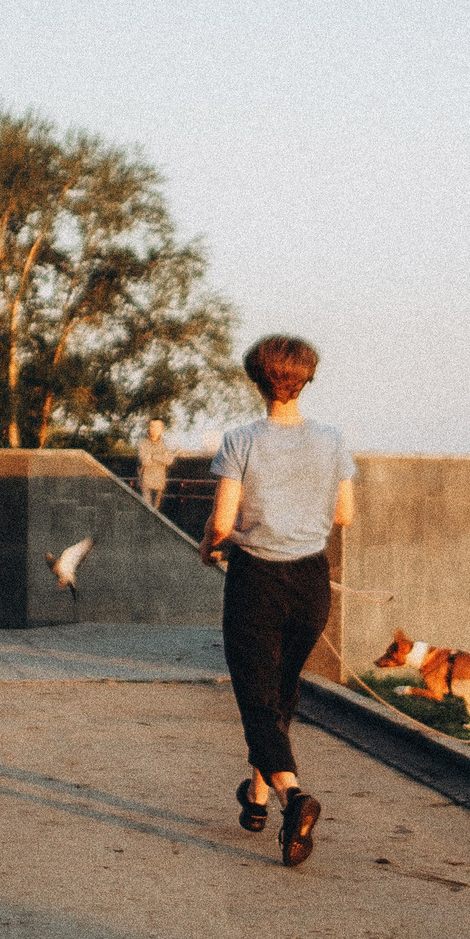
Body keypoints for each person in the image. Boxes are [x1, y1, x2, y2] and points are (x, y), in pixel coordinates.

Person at [204, 334, 354, 867]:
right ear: (306, 379)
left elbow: (223, 524)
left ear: (256, 380)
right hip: (311, 580)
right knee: (279, 691)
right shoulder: (333, 440)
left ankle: (293, 796)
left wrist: (208, 546)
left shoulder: (240, 440)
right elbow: (344, 515)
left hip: (256, 581)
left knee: (255, 696)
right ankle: (258, 796)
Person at [136, 418, 175, 509]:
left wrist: (153, 456)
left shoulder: (164, 444)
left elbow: (169, 460)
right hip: (146, 483)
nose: (153, 429)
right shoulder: (142, 443)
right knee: (147, 510)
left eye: (157, 427)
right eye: (152, 426)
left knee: (156, 512)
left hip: (159, 483)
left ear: (161, 429)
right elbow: (145, 461)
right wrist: (161, 457)